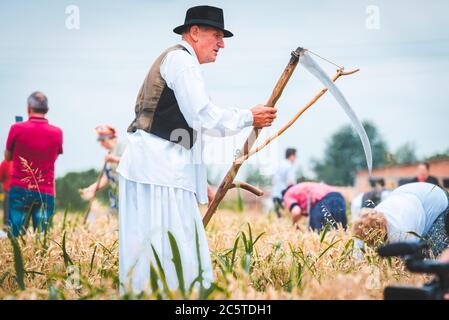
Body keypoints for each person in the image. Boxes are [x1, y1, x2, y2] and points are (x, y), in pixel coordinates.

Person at [117, 5, 277, 294]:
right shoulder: (182, 62)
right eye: (216, 35)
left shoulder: (179, 62)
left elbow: (190, 133)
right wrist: (248, 117)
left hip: (157, 169)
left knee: (154, 250)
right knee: (172, 252)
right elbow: (202, 117)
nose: (222, 44)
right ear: (194, 33)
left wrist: (200, 184)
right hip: (159, 172)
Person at [5, 92, 63, 237]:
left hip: (19, 188)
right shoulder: (57, 132)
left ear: (29, 108)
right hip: (45, 189)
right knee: (42, 238)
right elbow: (54, 157)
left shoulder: (16, 128)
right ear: (47, 109)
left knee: (15, 237)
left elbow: (8, 157)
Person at [352, 182, 449, 257]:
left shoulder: (401, 232)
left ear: (380, 232)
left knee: (430, 253)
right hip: (407, 193)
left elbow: (409, 259)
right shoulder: (364, 225)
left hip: (433, 200)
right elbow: (358, 253)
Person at [79, 125, 125, 213]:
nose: (101, 144)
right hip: (117, 194)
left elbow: (131, 163)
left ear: (108, 138)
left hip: (127, 193)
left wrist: (114, 159)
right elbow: (106, 177)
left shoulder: (122, 146)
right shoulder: (110, 153)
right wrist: (91, 188)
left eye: (102, 141)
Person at [282, 182, 347, 231]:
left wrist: (294, 224)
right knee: (340, 232)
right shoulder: (302, 187)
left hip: (322, 200)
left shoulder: (287, 194)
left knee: (317, 234)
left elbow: (296, 212)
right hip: (339, 197)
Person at [271, 148, 297, 218]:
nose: (295, 158)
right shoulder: (289, 166)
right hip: (284, 194)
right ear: (291, 156)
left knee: (278, 216)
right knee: (286, 216)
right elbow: (291, 181)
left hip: (275, 193)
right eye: (295, 156)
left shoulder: (280, 163)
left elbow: (273, 179)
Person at [0, 156, 13, 228]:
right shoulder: (5, 163)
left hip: (8, 190)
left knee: (7, 212)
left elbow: (1, 178)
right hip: (16, 191)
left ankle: (7, 228)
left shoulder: (5, 162)